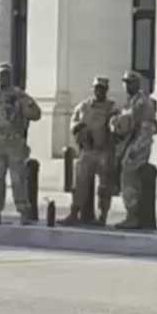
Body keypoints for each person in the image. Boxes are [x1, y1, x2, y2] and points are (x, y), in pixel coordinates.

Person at [0, 62, 41, 226]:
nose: (3, 78)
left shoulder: (19, 94)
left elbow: (36, 114)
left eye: (6, 75)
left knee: (18, 178)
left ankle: (23, 211)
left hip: (14, 141)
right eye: (0, 75)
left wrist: (23, 106)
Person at [109, 70, 157, 230]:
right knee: (126, 176)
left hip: (139, 144)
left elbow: (139, 125)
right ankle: (133, 213)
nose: (127, 85)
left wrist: (136, 149)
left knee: (129, 176)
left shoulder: (142, 102)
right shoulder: (130, 101)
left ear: (137, 84)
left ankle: (134, 215)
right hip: (130, 142)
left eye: (130, 82)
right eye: (125, 82)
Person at [65, 77, 116, 226]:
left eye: (102, 88)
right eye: (96, 88)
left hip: (104, 151)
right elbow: (73, 123)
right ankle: (74, 212)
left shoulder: (112, 108)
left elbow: (117, 126)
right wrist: (78, 129)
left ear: (106, 90)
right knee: (79, 184)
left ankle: (102, 216)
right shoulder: (83, 106)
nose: (98, 91)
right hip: (87, 150)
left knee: (104, 187)